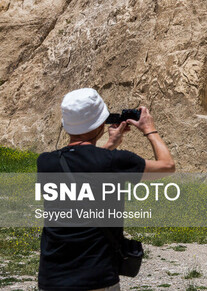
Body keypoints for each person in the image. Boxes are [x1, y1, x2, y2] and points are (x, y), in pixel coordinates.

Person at [37, 88, 175, 291]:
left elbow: (83, 166)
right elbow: (167, 166)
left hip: (52, 278)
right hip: (96, 276)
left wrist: (110, 145)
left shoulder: (46, 162)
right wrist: (149, 129)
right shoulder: (114, 161)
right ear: (101, 123)